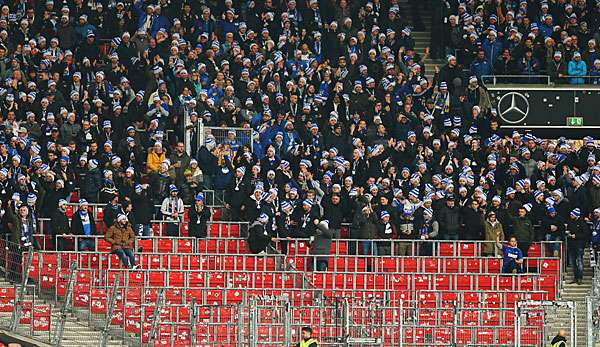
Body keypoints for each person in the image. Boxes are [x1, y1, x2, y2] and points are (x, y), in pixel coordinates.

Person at [566, 208, 588, 285]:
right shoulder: (570, 222)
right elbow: (568, 231)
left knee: (580, 261)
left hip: (579, 245)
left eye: (572, 215)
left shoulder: (582, 223)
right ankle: (575, 278)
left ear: (576, 215)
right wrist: (568, 233)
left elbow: (585, 234)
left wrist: (576, 236)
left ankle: (580, 278)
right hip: (571, 245)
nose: (571, 216)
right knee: (573, 263)